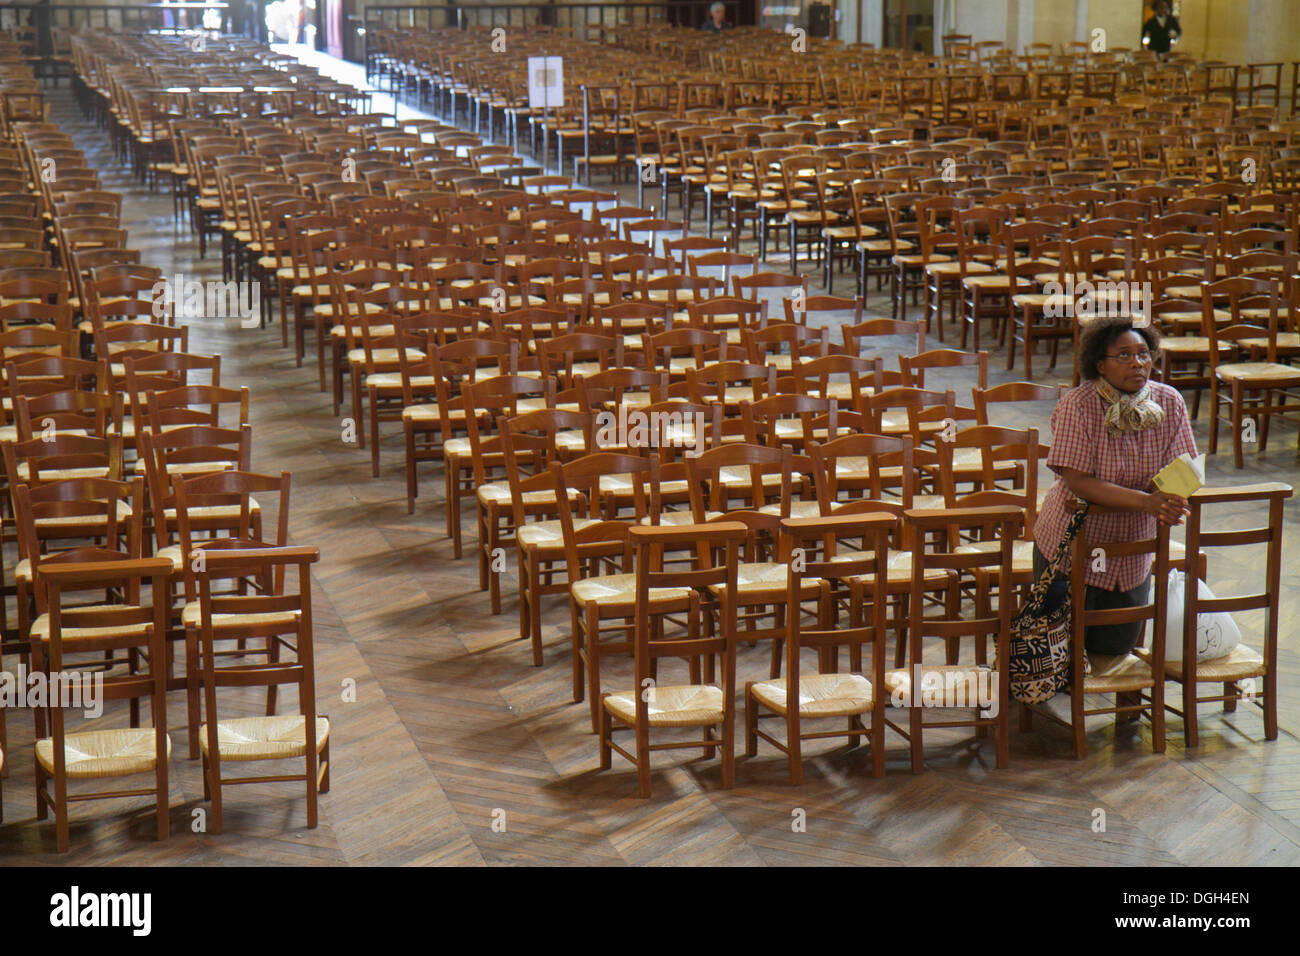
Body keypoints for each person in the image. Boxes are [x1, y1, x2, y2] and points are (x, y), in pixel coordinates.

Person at [1033, 316, 1197, 662]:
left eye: (1143, 353)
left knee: (1115, 649)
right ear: (1100, 365)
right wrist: (1148, 502)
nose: (1137, 362)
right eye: (1124, 355)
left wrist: (1169, 499)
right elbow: (1078, 481)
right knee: (1057, 648)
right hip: (1075, 544)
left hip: (1132, 549)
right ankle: (1051, 710)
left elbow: (1183, 469)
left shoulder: (1169, 401)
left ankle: (1111, 709)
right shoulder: (1079, 405)